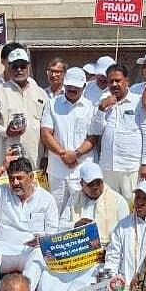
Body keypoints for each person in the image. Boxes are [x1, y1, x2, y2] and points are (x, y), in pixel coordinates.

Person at [90, 63, 146, 199]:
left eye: (118, 81)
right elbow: (95, 131)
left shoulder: (138, 102)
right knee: (109, 207)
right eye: (111, 81)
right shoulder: (103, 102)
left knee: (131, 207)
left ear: (127, 81)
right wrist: (102, 109)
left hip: (131, 167)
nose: (114, 84)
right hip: (107, 167)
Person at [42, 67, 98, 210]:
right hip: (57, 170)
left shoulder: (90, 107)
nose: (72, 89)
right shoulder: (52, 103)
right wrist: (63, 154)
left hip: (81, 169)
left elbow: (93, 137)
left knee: (81, 210)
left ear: (84, 86)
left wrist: (76, 154)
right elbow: (46, 133)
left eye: (76, 87)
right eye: (69, 86)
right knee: (55, 209)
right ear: (64, 84)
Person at [0, 47, 48, 168]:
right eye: (14, 66)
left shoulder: (40, 93)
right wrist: (5, 131)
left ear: (28, 67)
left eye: (22, 66)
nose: (19, 70)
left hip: (34, 160)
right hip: (5, 161)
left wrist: (46, 155)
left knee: (33, 187)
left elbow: (48, 128)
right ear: (8, 68)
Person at [0, 156, 59, 248]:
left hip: (32, 250)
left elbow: (52, 232)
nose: (15, 183)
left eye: (19, 178)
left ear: (31, 177)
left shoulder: (47, 199)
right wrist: (1, 168)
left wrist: (41, 240)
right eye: (12, 178)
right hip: (1, 248)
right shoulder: (3, 192)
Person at [106, 181, 146, 282]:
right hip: (124, 285)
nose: (139, 202)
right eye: (137, 197)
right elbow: (113, 256)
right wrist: (112, 282)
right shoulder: (123, 225)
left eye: (145, 199)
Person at [66, 162, 127, 246]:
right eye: (91, 184)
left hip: (109, 249)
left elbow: (125, 232)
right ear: (82, 184)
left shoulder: (118, 201)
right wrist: (75, 226)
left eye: (98, 183)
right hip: (80, 249)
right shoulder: (74, 199)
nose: (95, 187)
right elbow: (61, 226)